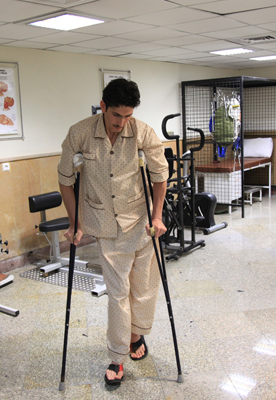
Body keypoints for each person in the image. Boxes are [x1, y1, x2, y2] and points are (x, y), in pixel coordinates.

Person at [57, 78, 168, 386]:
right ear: (103, 106)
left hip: (141, 221)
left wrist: (157, 216)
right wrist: (74, 222)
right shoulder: (79, 133)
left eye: (128, 115)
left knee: (143, 287)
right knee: (118, 293)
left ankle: (135, 336)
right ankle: (117, 357)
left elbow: (160, 176)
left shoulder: (143, 132)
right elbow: (65, 179)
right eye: (117, 115)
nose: (122, 122)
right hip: (105, 223)